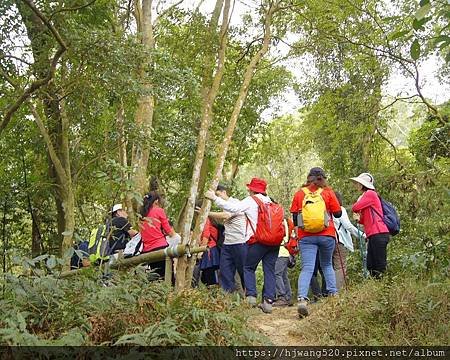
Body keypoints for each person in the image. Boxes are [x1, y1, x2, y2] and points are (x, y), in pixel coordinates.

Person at [206, 177, 278, 314]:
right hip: (274, 241)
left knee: (248, 268)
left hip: (258, 240)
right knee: (269, 270)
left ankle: (251, 297)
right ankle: (268, 302)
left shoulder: (251, 200)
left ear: (252, 190)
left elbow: (232, 209)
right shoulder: (270, 201)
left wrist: (213, 198)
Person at [290, 167, 342, 318]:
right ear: (322, 178)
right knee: (327, 265)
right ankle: (333, 296)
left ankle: (301, 299)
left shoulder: (300, 193)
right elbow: (338, 213)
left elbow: (295, 218)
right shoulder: (327, 192)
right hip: (327, 235)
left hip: (306, 237)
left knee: (307, 268)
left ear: (309, 178)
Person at [207, 185, 247, 293]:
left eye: (218, 195)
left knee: (244, 271)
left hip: (240, 242)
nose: (217, 198)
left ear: (224, 192)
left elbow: (226, 215)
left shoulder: (235, 203)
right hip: (227, 244)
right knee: (225, 271)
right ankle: (229, 297)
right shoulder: (224, 207)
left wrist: (208, 213)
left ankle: (249, 296)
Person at [350, 173, 389, 278]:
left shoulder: (370, 194)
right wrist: (359, 219)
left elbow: (355, 207)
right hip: (372, 234)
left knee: (379, 264)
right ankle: (377, 286)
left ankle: (385, 287)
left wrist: (357, 204)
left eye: (358, 183)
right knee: (371, 264)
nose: (356, 185)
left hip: (379, 233)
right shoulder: (367, 196)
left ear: (363, 185)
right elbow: (364, 220)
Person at [139, 191, 177, 278]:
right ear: (156, 201)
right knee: (167, 276)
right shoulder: (159, 211)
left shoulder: (141, 214)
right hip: (160, 247)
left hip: (147, 250)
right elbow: (170, 232)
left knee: (156, 275)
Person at [333, 192, 366, 289]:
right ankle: (338, 291)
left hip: (327, 240)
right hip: (339, 241)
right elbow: (348, 226)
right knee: (340, 266)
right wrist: (363, 235)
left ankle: (329, 291)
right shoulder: (340, 209)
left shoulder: (325, 210)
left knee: (329, 266)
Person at [273, 217, 295, 307]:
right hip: (286, 252)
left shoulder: (278, 221)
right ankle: (288, 298)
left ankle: (281, 297)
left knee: (276, 274)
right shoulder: (286, 221)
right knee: (284, 276)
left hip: (280, 252)